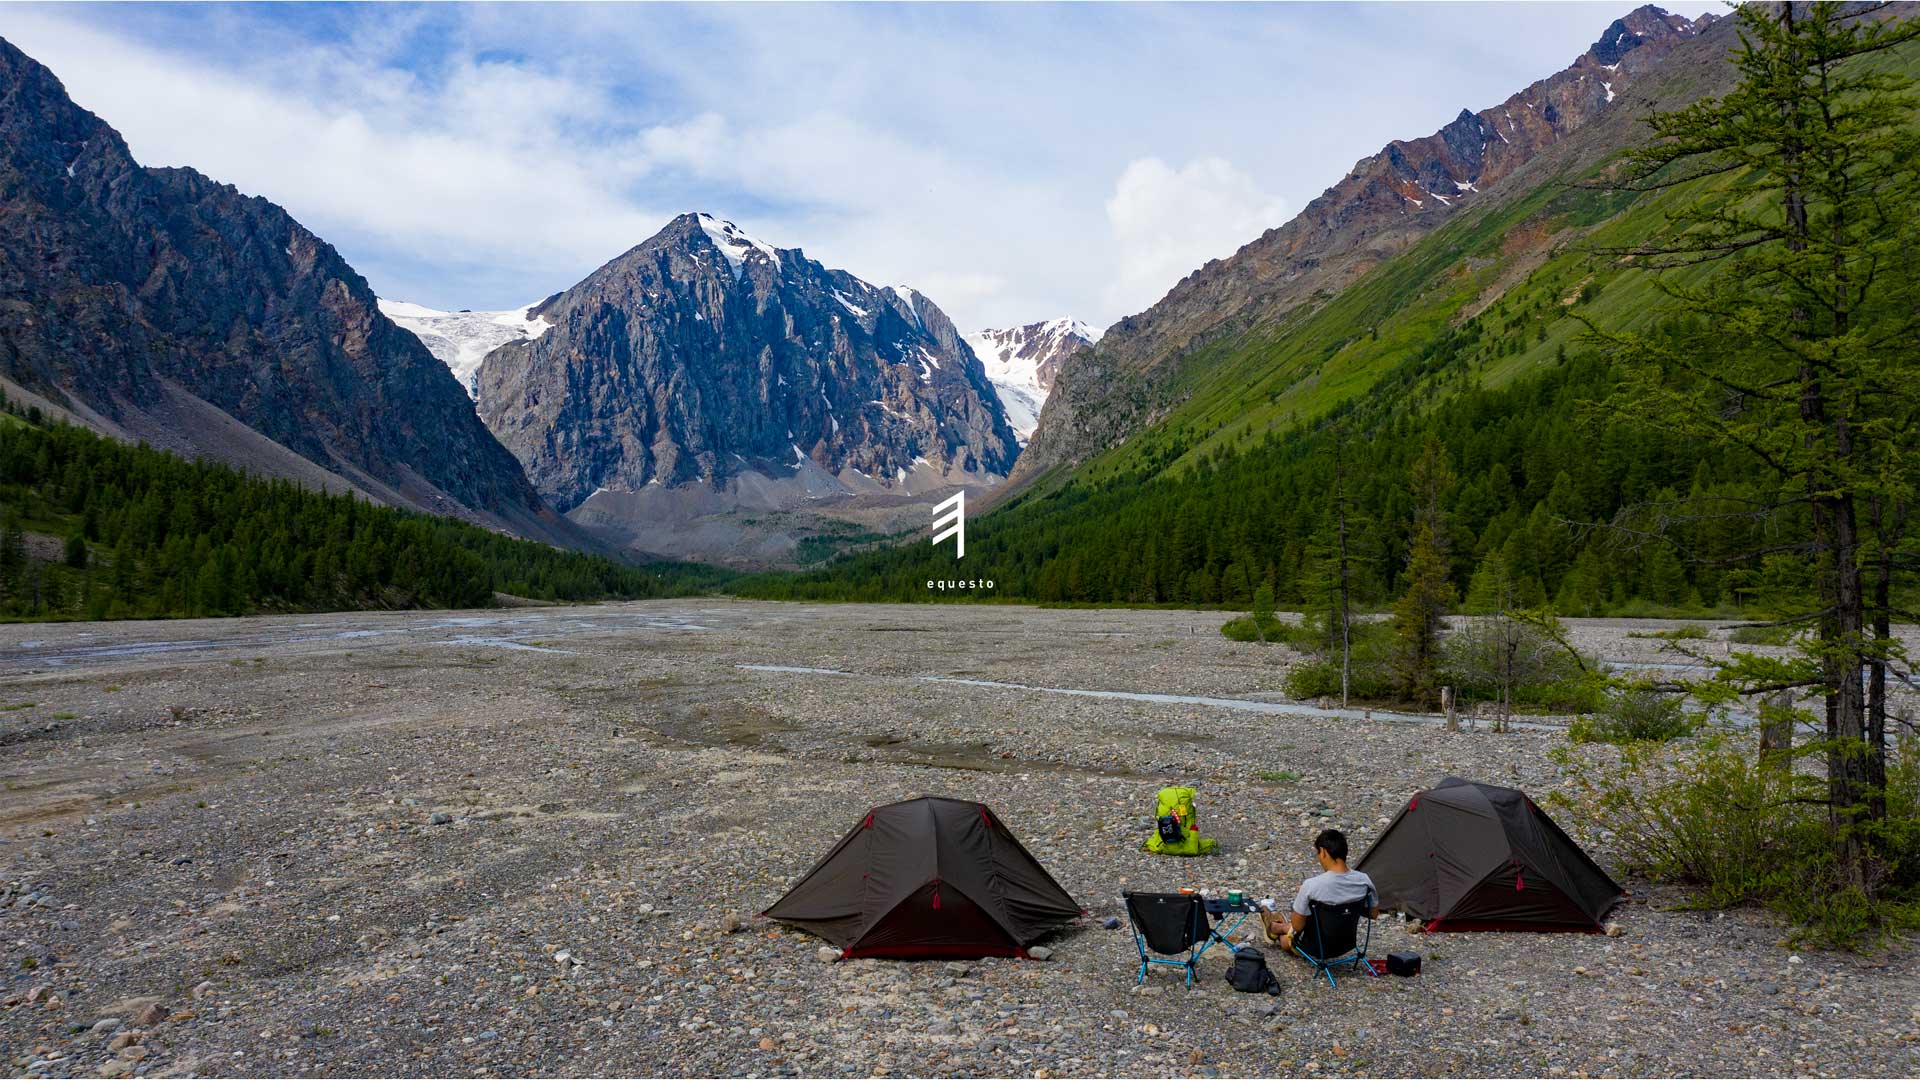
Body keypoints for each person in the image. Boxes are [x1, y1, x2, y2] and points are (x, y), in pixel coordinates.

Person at [1265, 828, 1378, 955]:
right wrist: (1347, 907)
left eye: (1318, 853)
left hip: (1316, 948)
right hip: (1346, 945)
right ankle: (1277, 927)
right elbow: (1373, 914)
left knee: (1289, 938)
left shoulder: (1312, 885)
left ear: (1323, 852)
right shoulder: (1364, 880)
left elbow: (1297, 926)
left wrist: (1303, 896)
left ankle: (1275, 930)